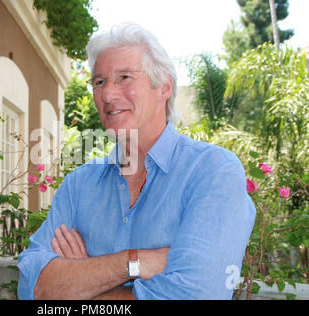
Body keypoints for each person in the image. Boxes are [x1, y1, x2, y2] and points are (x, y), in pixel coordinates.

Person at [17, 22, 256, 300]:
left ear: (164, 86)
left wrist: (84, 283)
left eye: (124, 78)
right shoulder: (77, 186)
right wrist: (136, 262)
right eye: (99, 82)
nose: (107, 94)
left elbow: (195, 295)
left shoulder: (213, 172)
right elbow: (32, 287)